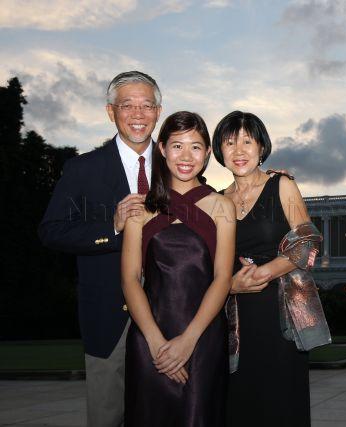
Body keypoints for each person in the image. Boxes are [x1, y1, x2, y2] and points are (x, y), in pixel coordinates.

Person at [39, 71, 162, 426]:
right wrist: (110, 227)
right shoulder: (82, 169)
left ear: (158, 112)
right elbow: (51, 231)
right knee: (108, 417)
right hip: (109, 321)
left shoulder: (178, 167)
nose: (138, 114)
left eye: (146, 105)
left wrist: (264, 178)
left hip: (169, 315)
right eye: (128, 105)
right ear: (111, 112)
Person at [213, 111, 328, 427]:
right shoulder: (217, 200)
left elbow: (307, 242)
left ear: (261, 147)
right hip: (236, 315)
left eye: (247, 141)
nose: (239, 151)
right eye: (230, 142)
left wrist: (264, 272)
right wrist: (231, 284)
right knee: (240, 402)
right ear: (219, 151)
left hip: (282, 312)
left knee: (281, 401)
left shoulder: (282, 185)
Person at [121, 111, 235, 426]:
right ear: (161, 149)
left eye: (196, 147)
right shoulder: (139, 209)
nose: (186, 156)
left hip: (203, 337)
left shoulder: (222, 207)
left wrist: (189, 340)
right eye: (177, 146)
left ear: (208, 152)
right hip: (149, 336)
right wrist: (156, 343)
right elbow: (130, 279)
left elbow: (223, 278)